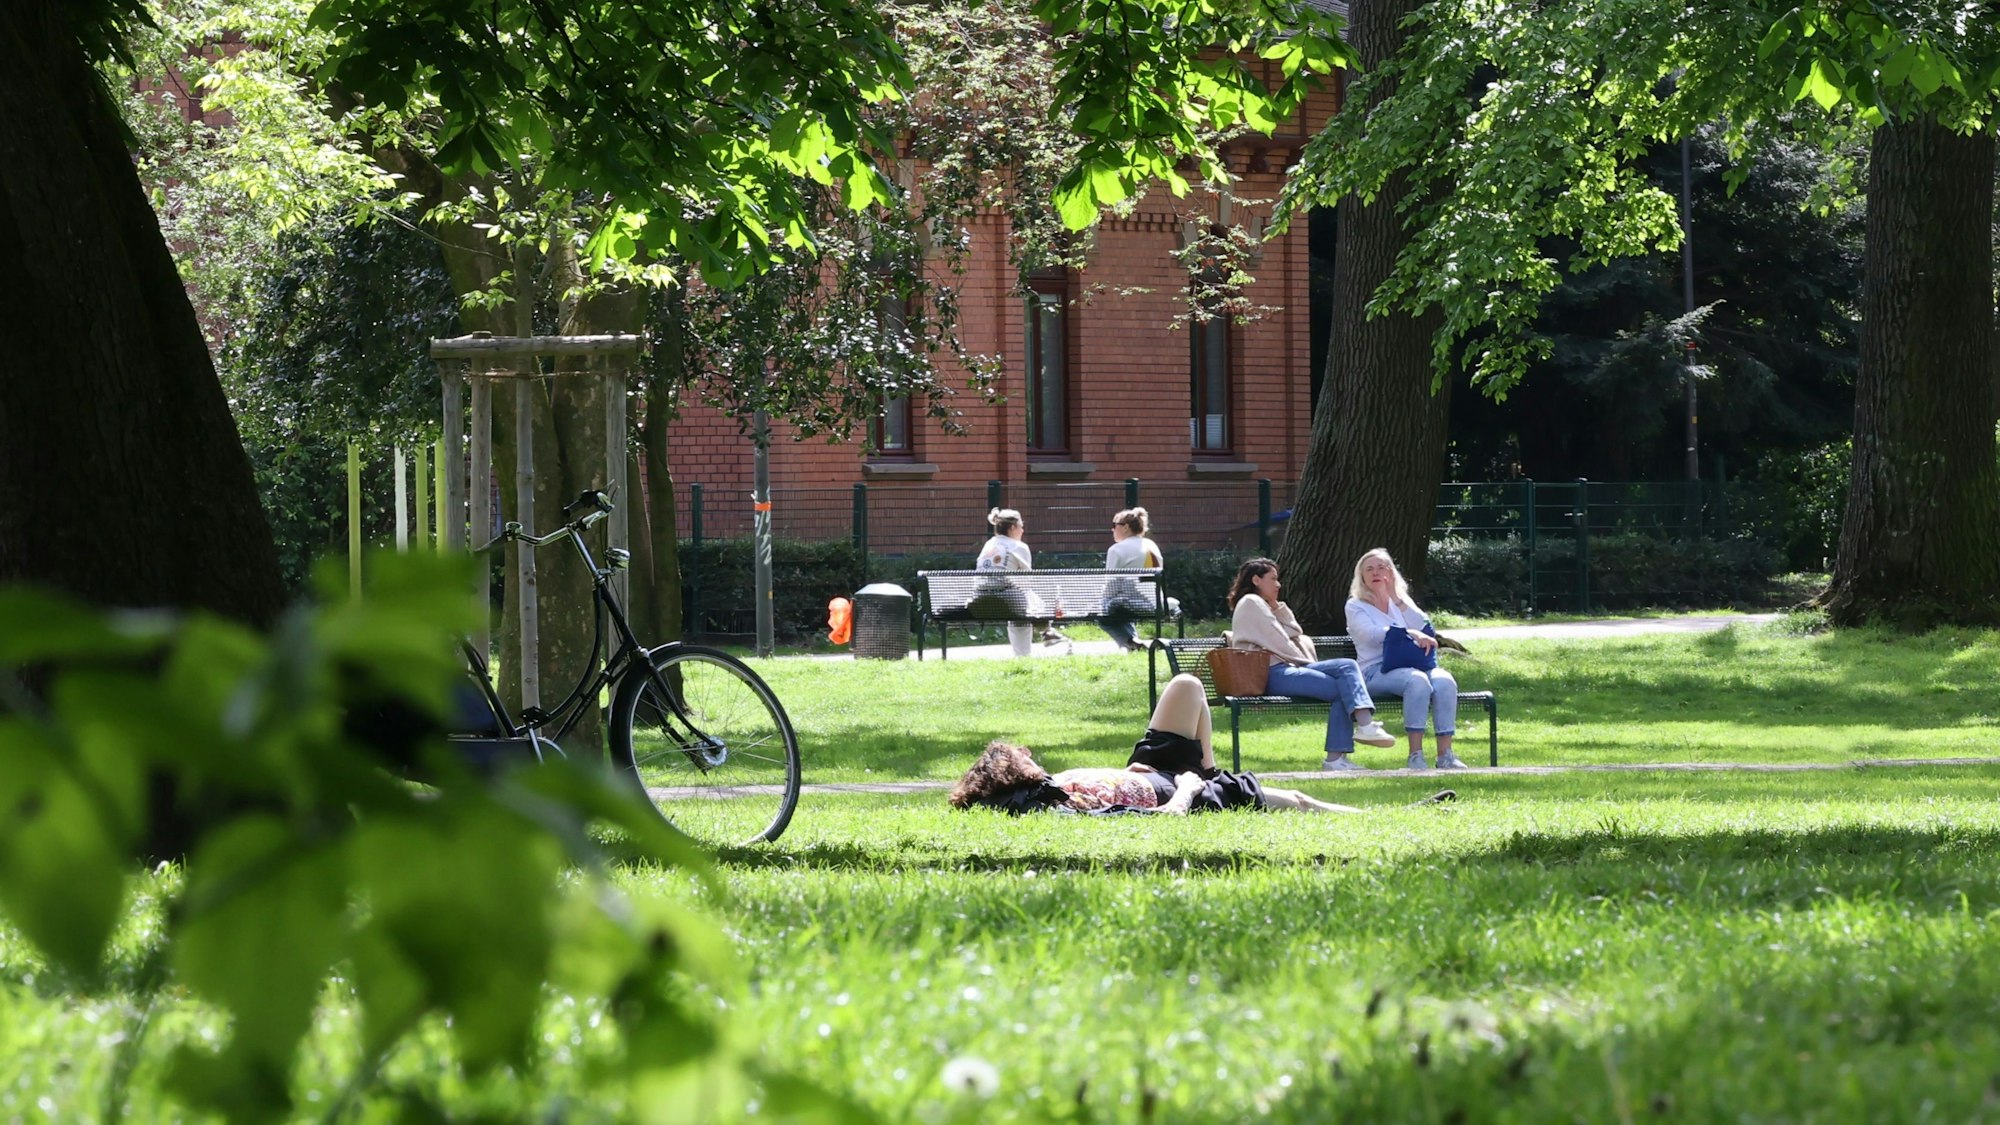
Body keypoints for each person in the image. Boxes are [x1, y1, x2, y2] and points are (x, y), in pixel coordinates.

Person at [949, 673, 1435, 814]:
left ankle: (1211, 769)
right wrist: (1188, 788)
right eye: (1020, 755)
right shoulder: (1053, 804)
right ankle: (1388, 817)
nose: (1029, 752)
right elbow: (1161, 822)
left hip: (1149, 771)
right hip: (1177, 789)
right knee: (1301, 802)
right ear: (1010, 771)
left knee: (1186, 684)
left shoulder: (1050, 786)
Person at [1226, 557, 1398, 771]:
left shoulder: (1264, 606)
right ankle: (1345, 749)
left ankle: (1357, 736)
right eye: (1273, 579)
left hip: (1287, 668)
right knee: (1342, 681)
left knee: (1345, 669)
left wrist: (1278, 608)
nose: (1278, 584)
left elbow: (1294, 632)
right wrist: (1306, 663)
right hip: (1272, 673)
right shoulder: (1251, 602)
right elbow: (1280, 640)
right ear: (1256, 580)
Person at [1345, 548, 1466, 770]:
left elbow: (1424, 626)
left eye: (1382, 567)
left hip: (1413, 664)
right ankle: (1416, 756)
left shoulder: (1398, 600)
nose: (1376, 573)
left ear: (1391, 572)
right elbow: (1370, 635)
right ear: (1361, 576)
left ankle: (1445, 755)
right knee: (1417, 681)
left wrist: (1396, 598)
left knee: (1444, 680)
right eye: (1369, 569)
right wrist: (1408, 632)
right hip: (1375, 670)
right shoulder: (1355, 605)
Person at [973, 507, 1062, 656]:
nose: (1023, 530)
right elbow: (1027, 580)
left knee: (1020, 599)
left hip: (980, 601)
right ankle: (1041, 636)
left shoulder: (989, 544)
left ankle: (1045, 633)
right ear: (1013, 527)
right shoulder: (1019, 547)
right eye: (1021, 526)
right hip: (1006, 600)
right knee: (1023, 600)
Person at [1100, 506, 1177, 652]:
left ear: (1126, 527)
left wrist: (1100, 601)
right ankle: (1134, 644)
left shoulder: (1116, 549)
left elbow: (1111, 585)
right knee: (1120, 604)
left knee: (1103, 615)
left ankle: (1131, 643)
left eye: (1114, 525)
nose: (1112, 529)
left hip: (1134, 603)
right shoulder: (1151, 544)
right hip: (1156, 601)